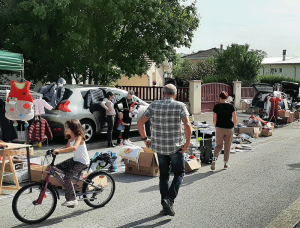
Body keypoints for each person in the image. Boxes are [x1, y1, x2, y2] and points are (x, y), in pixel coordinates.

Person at [137, 84, 192, 216]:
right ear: (175, 95)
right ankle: (169, 199)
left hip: (159, 147)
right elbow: (187, 125)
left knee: (163, 176)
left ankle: (165, 204)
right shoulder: (180, 105)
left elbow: (140, 123)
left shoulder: (154, 105)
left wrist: (145, 139)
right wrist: (187, 144)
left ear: (163, 94)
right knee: (179, 173)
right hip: (175, 147)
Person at [53, 119, 90, 207]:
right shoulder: (70, 138)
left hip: (82, 162)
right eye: (65, 127)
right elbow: (67, 147)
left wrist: (60, 151)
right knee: (55, 168)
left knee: (67, 177)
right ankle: (69, 186)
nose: (65, 129)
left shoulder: (79, 137)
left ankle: (72, 199)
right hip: (75, 160)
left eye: (67, 127)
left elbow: (74, 148)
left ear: (74, 128)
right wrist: (57, 150)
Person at [211, 91, 237, 170]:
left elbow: (214, 119)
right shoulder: (231, 106)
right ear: (227, 98)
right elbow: (235, 118)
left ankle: (214, 159)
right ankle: (225, 164)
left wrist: (216, 126)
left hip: (219, 127)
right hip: (229, 128)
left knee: (219, 145)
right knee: (227, 146)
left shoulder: (217, 106)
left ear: (220, 98)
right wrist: (234, 125)